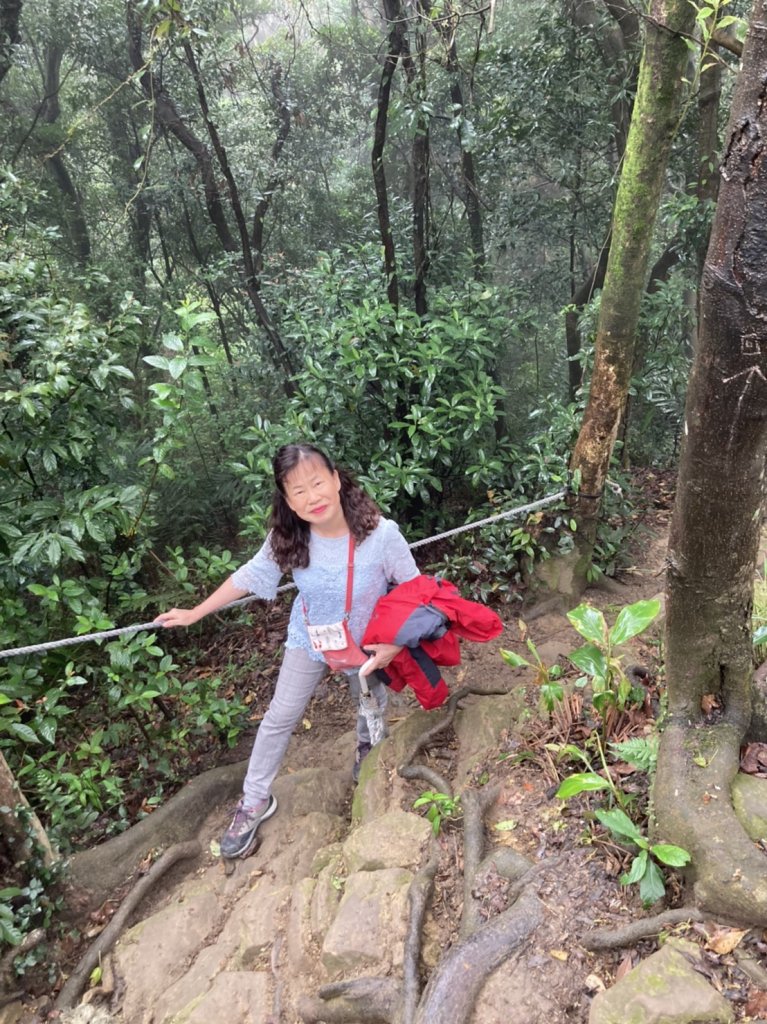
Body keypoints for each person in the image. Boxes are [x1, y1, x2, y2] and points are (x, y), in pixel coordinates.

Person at [156, 442, 418, 858]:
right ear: (287, 500)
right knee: (279, 717)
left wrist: (391, 644)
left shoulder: (381, 534)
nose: (312, 497)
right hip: (310, 637)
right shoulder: (288, 537)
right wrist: (195, 613)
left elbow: (412, 590)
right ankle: (255, 800)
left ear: (336, 479)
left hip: (368, 641)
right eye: (298, 491)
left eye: (317, 483)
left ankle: (368, 754)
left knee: (369, 702)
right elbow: (249, 575)